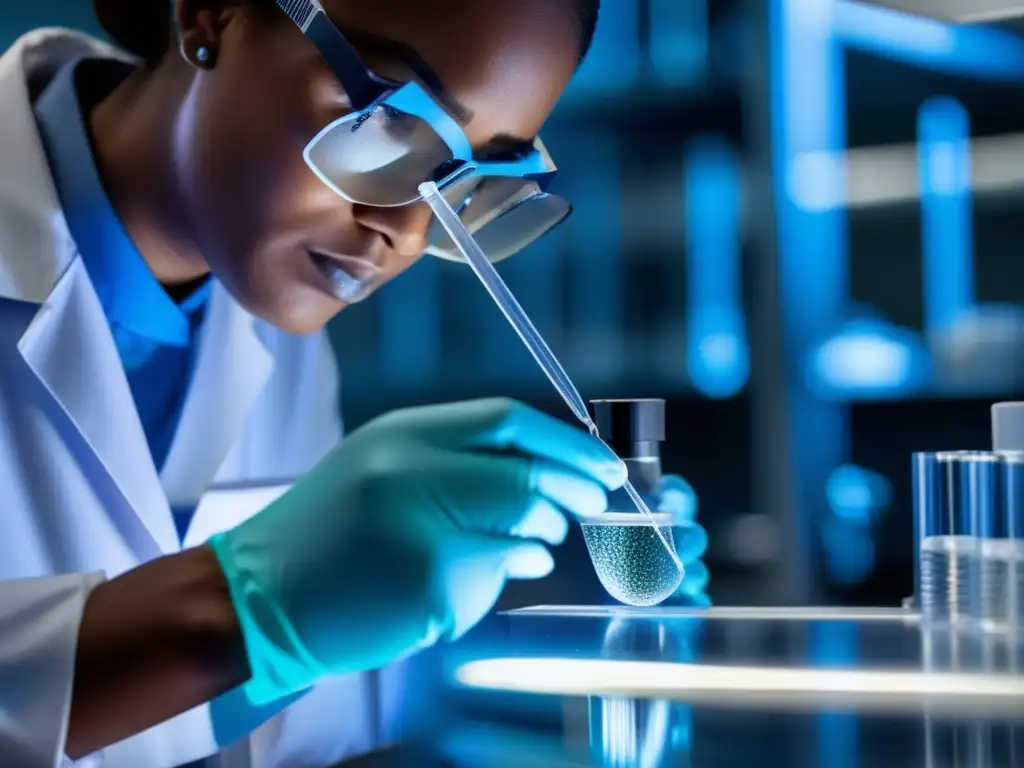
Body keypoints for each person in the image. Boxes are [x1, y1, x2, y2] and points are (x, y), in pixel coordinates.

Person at [0, 0, 709, 766]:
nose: (403, 232)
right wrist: (238, 612)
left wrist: (490, 606)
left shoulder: (274, 321)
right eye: (387, 128)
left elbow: (257, 736)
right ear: (207, 14)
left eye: (470, 180)